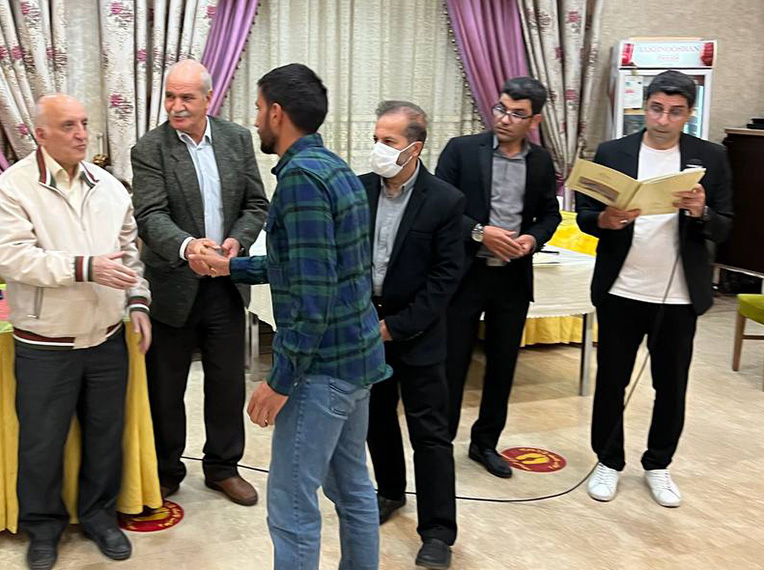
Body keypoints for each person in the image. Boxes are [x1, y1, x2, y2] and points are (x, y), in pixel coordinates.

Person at [191, 63, 390, 570]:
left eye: (260, 108)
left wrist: (280, 381)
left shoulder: (300, 180)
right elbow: (309, 266)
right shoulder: (335, 168)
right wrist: (231, 267)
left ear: (278, 113)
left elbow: (312, 294)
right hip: (357, 361)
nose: (256, 119)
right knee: (353, 490)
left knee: (291, 507)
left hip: (321, 372)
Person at [0, 93, 151, 570]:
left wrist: (137, 302)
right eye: (68, 126)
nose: (81, 134)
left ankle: (100, 518)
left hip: (106, 338)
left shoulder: (111, 187)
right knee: (42, 443)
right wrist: (84, 267)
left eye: (83, 123)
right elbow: (13, 258)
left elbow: (129, 256)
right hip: (45, 344)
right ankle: (42, 528)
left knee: (105, 436)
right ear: (40, 134)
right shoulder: (12, 188)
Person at [577, 70, 733, 507]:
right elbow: (586, 213)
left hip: (679, 293)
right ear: (645, 107)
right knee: (612, 381)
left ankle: (659, 464)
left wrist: (702, 212)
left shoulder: (710, 157)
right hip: (622, 288)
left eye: (675, 112)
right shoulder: (614, 152)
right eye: (656, 109)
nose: (663, 120)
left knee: (671, 385)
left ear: (689, 114)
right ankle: (608, 461)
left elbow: (726, 226)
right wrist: (603, 220)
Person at [131, 60, 268, 505]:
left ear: (209, 98)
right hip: (172, 285)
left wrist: (237, 240)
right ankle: (166, 470)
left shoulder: (236, 139)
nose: (176, 106)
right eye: (170, 96)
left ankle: (223, 468)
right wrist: (189, 246)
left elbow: (256, 204)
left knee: (227, 383)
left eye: (187, 97)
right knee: (165, 387)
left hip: (226, 284)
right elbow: (150, 215)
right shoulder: (149, 149)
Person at [435, 77, 561, 478]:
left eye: (517, 114)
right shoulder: (462, 150)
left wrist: (532, 239)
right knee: (452, 364)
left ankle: (485, 443)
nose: (504, 119)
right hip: (465, 275)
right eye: (501, 108)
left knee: (503, 365)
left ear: (534, 121)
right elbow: (438, 207)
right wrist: (479, 232)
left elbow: (550, 214)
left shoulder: (540, 162)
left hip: (512, 279)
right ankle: (439, 445)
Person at [360, 100, 464, 569]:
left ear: (415, 148)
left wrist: (396, 327)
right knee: (377, 419)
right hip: (366, 324)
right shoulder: (360, 189)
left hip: (418, 331)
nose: (379, 149)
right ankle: (389, 491)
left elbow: (445, 279)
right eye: (376, 139)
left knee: (430, 433)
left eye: (389, 141)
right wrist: (365, 321)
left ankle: (438, 531)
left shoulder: (445, 201)